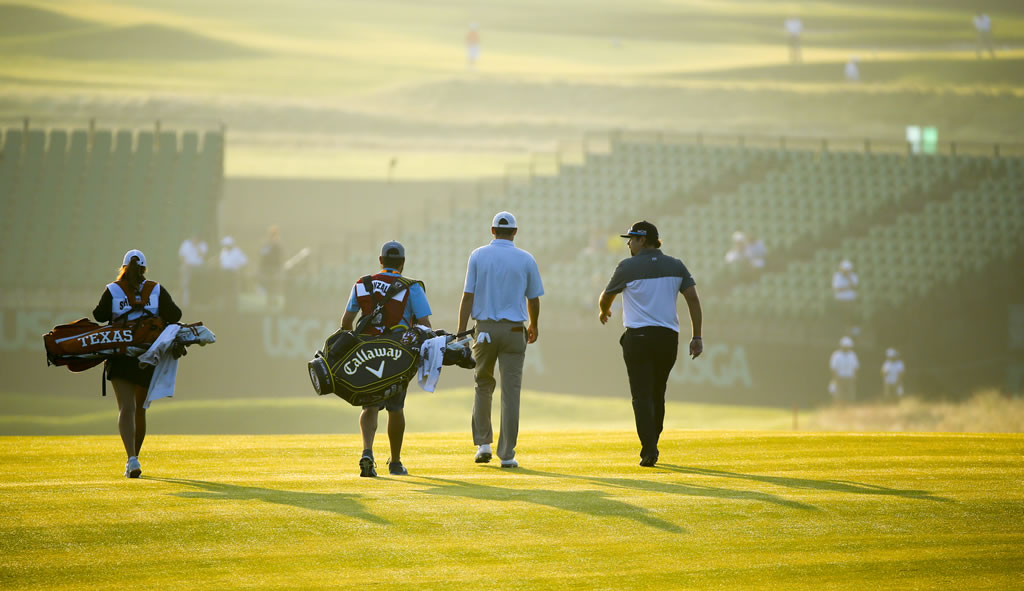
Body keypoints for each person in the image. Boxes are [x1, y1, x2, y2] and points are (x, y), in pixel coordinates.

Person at [598, 221, 703, 467]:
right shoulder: (676, 266)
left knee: (641, 396)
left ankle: (649, 449)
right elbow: (694, 300)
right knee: (658, 394)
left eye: (632, 239)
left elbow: (606, 297)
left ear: (642, 240)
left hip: (639, 338)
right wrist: (697, 336)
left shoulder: (627, 266)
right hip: (668, 339)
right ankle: (653, 442)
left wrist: (603, 311)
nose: (628, 243)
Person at [458, 211, 543, 469]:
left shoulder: (478, 255)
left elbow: (468, 296)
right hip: (515, 331)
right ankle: (507, 454)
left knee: (483, 385)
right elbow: (534, 298)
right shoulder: (526, 259)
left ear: (492, 230)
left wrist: (462, 331)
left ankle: (483, 445)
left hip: (483, 330)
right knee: (511, 392)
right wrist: (535, 325)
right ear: (515, 232)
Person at [340, 240, 431, 478]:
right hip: (396, 355)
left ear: (381, 261)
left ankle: (367, 452)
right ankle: (396, 463)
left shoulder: (362, 284)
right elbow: (425, 326)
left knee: (370, 404)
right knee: (395, 408)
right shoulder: (411, 287)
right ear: (402, 263)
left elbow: (346, 323)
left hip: (367, 352)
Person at [92, 249, 182, 478]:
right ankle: (135, 460)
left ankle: (131, 458)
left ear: (123, 267)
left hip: (120, 354)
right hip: (147, 355)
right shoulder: (156, 289)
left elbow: (99, 315)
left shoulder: (113, 289)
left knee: (126, 408)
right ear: (144, 269)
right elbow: (176, 314)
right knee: (140, 410)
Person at [178, 231, 207, 306]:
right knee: (185, 284)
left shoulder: (203, 245)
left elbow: (202, 255)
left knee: (198, 285)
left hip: (198, 268)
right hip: (188, 266)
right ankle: (185, 303)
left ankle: (198, 301)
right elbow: (181, 256)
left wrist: (197, 246)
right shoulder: (186, 243)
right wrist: (185, 264)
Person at [832, 259, 859, 335]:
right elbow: (837, 289)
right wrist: (848, 287)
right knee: (842, 316)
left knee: (852, 314)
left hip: (851, 299)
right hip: (840, 300)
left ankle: (853, 330)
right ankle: (841, 330)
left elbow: (855, 286)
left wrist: (848, 277)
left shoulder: (853, 276)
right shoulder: (837, 276)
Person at [218, 236, 248, 306]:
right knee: (226, 290)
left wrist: (239, 270)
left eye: (226, 245)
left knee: (233, 291)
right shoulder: (223, 251)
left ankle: (234, 306)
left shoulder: (237, 251)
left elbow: (244, 262)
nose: (225, 246)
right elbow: (222, 262)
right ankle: (226, 305)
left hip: (233, 273)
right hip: (224, 273)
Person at [829, 336, 859, 404]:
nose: (846, 348)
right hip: (840, 378)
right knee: (839, 395)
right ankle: (840, 409)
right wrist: (836, 377)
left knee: (850, 395)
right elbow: (833, 368)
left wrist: (855, 376)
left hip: (850, 377)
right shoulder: (836, 355)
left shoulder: (852, 355)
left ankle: (850, 408)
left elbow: (856, 367)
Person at [258, 225, 283, 302]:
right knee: (269, 284)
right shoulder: (267, 244)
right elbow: (263, 255)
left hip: (275, 267)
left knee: (274, 284)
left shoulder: (278, 245)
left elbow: (280, 256)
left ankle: (273, 299)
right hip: (268, 267)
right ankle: (270, 299)